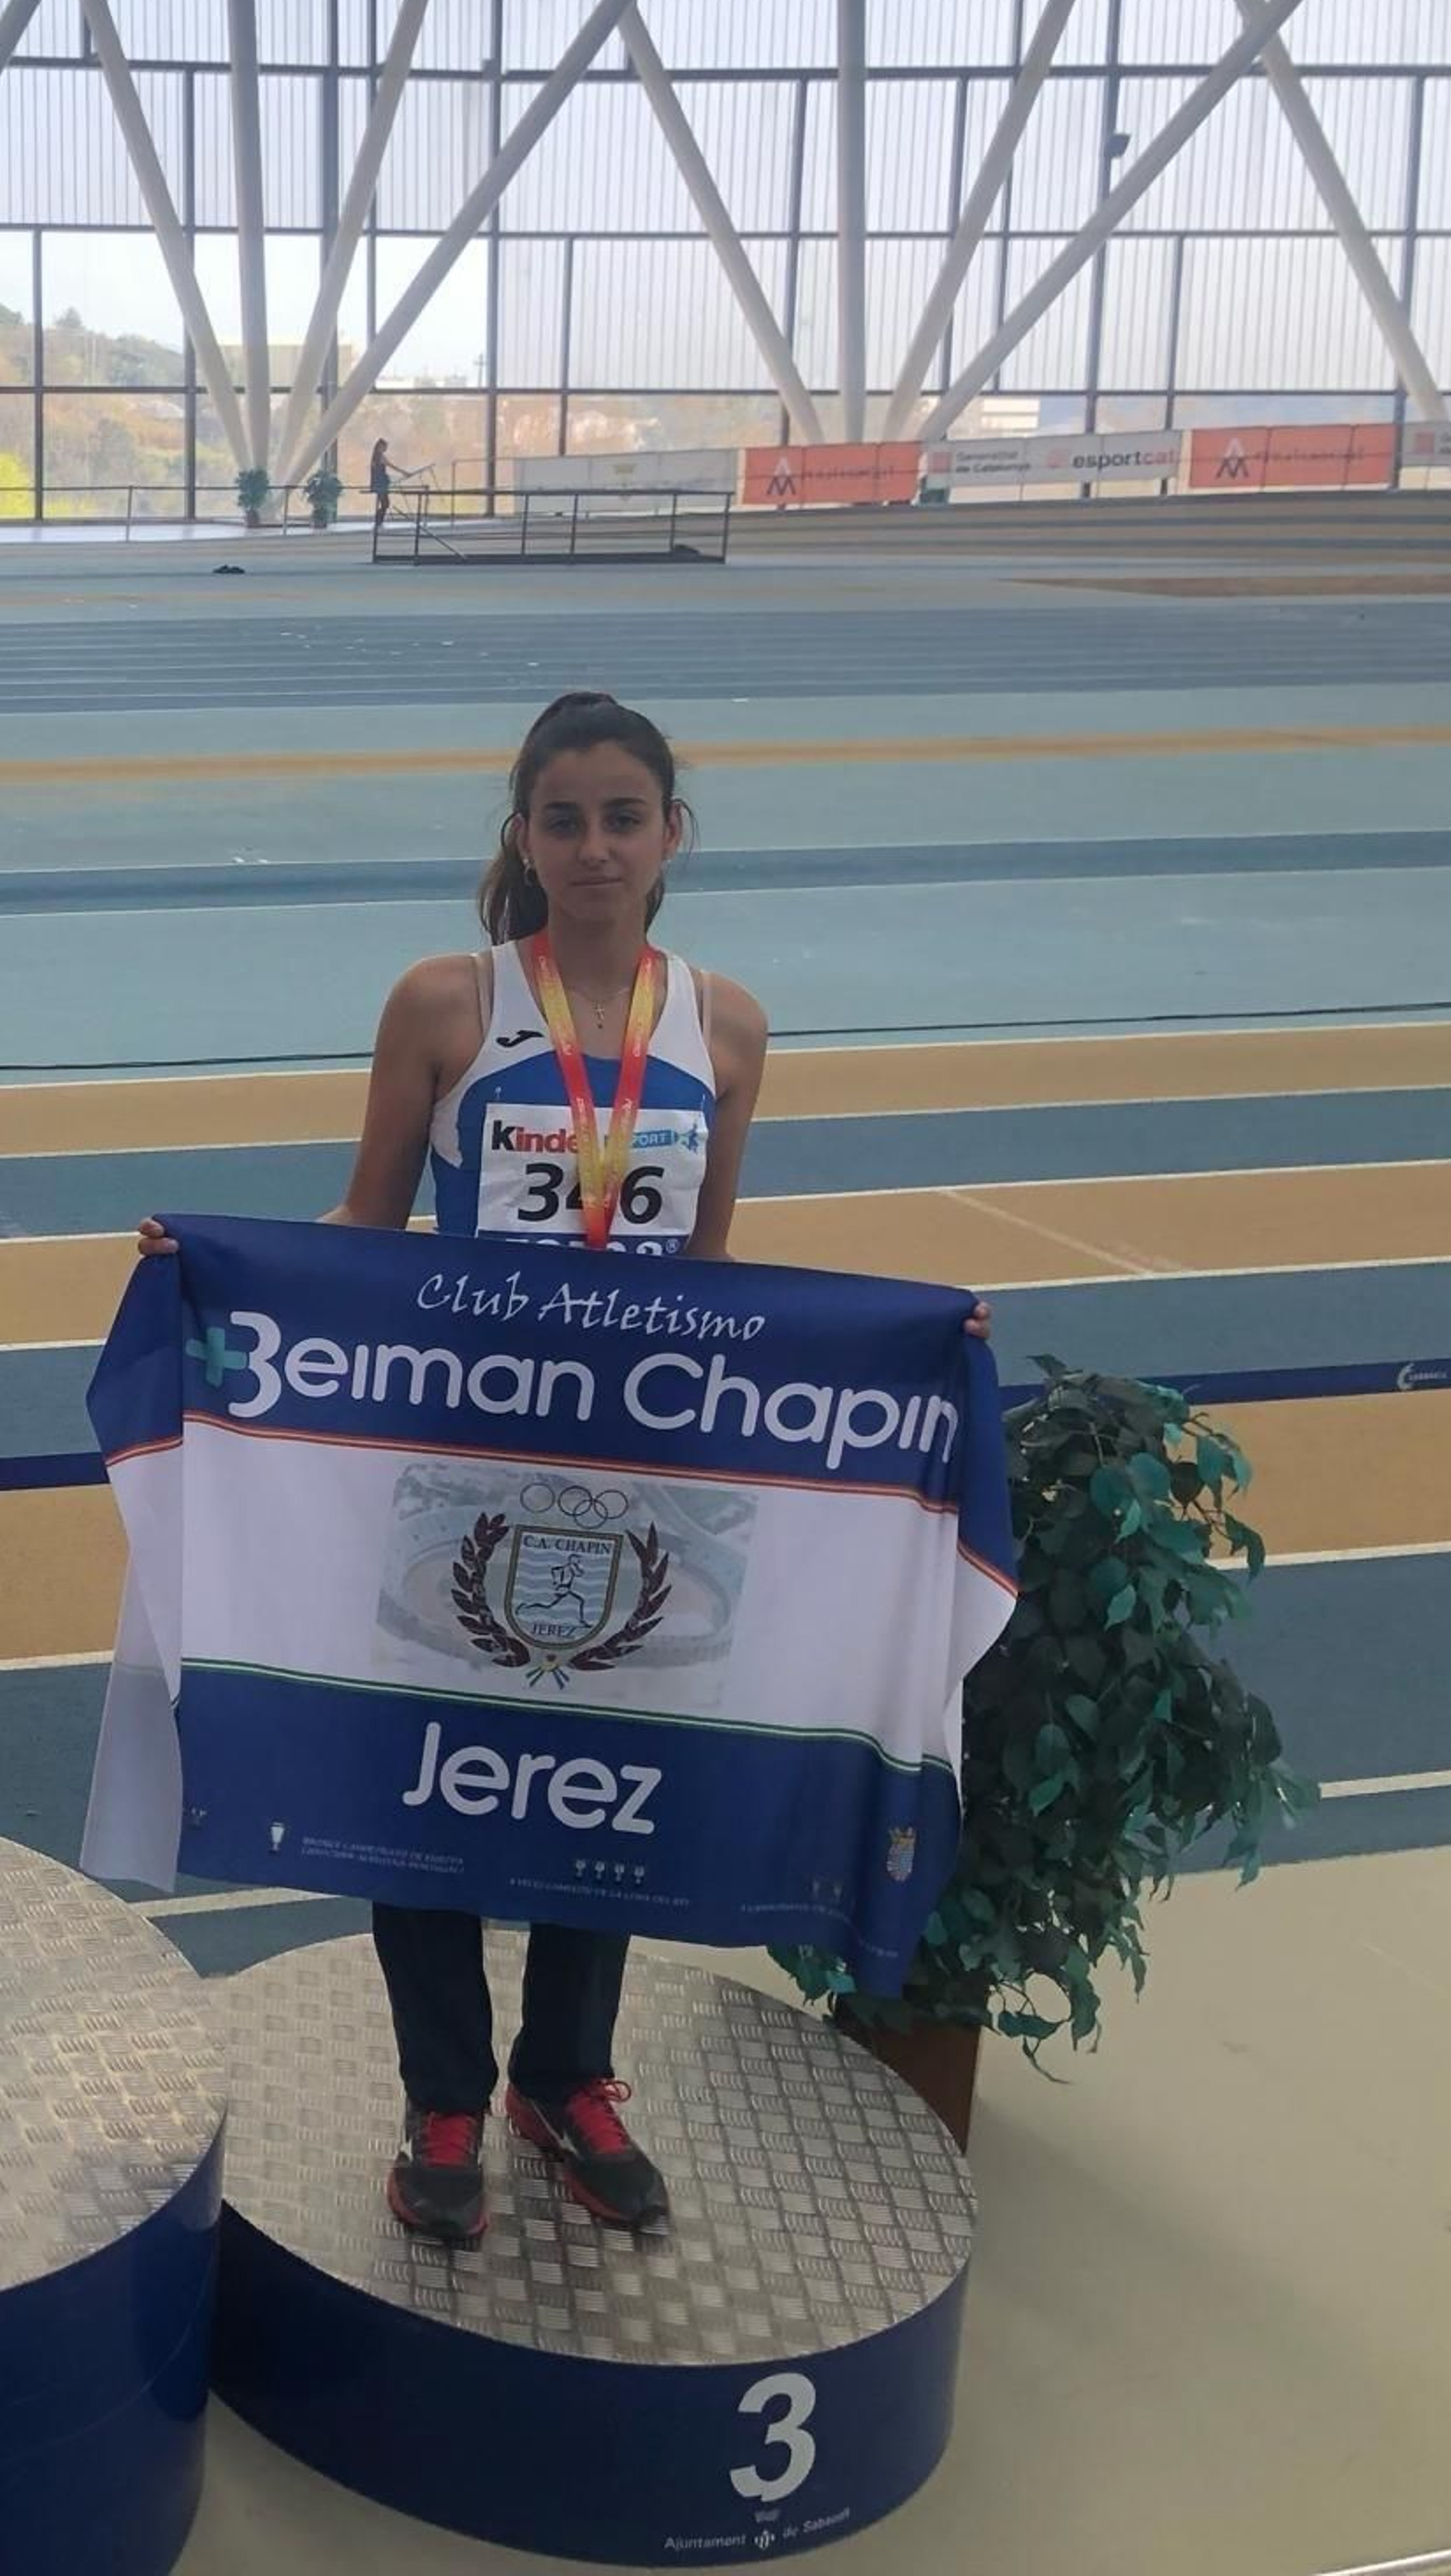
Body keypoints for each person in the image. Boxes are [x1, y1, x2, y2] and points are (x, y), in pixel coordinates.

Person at [137, 688, 989, 2246]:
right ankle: (446, 2095)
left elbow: (714, 1274)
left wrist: (919, 1347)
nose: (594, 847)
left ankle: (567, 2075)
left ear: (674, 833)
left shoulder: (723, 1025)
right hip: (456, 1469)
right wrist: (217, 1268)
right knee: (435, 1778)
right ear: (522, 836)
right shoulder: (449, 1005)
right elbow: (367, 1230)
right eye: (563, 818)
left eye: (623, 816)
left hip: (640, 1476)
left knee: (615, 1781)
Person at [368, 437, 399, 529]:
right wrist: (404, 472)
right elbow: (392, 465)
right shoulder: (379, 456)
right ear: (380, 446)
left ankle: (379, 521)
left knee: (384, 503)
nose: (386, 449)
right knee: (385, 503)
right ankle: (378, 521)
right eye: (385, 447)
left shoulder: (375, 456)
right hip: (381, 483)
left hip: (378, 483)